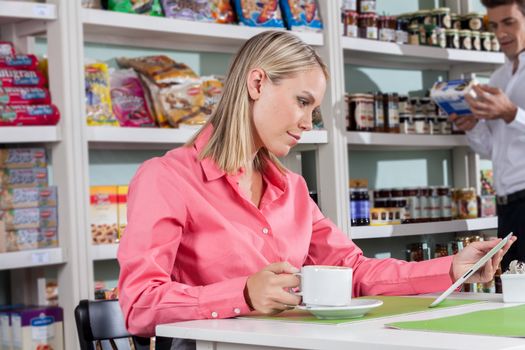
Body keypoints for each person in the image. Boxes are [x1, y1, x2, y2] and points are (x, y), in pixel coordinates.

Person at [118, 31, 516, 340]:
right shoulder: (166, 178)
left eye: (315, 109)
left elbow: (354, 271)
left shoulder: (291, 188)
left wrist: (451, 268)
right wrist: (242, 295)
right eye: (302, 102)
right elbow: (138, 305)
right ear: (257, 84)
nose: (309, 123)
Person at [449, 0, 525, 271]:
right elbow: (492, 149)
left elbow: (511, 117)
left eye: (509, 22)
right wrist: (472, 126)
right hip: (506, 206)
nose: (500, 33)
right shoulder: (498, 79)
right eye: (494, 25)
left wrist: (512, 113)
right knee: (513, 290)